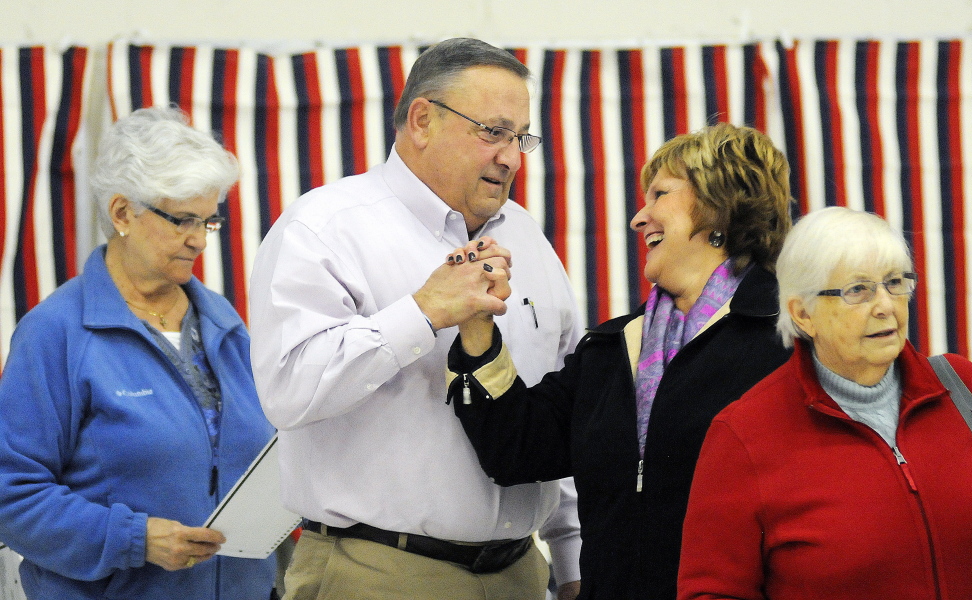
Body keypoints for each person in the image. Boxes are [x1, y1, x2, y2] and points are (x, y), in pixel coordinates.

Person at [247, 38, 583, 600]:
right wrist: (421, 313)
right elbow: (287, 389)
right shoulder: (324, 227)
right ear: (422, 119)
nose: (511, 157)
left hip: (522, 573)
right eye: (493, 132)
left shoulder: (526, 235)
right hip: (376, 573)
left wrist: (571, 558)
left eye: (521, 138)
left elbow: (559, 407)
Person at [445, 122, 794, 600]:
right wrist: (477, 330)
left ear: (718, 204)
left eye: (660, 195)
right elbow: (516, 448)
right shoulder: (614, 348)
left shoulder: (790, 340)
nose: (638, 217)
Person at [0, 107, 277, 600]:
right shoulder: (55, 334)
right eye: (182, 220)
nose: (198, 239)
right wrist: (134, 539)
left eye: (208, 221)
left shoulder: (223, 323)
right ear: (123, 213)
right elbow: (12, 497)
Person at [676, 207, 972, 600]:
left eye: (895, 282)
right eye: (857, 290)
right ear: (803, 313)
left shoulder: (964, 388)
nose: (885, 305)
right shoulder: (744, 435)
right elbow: (712, 591)